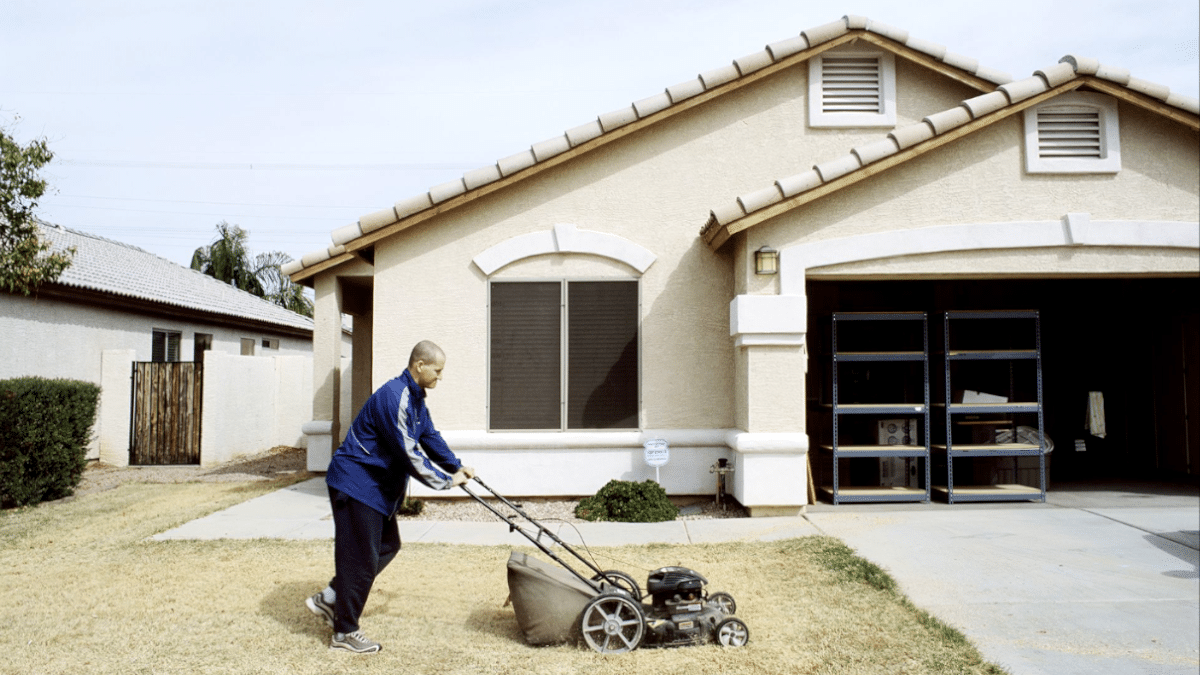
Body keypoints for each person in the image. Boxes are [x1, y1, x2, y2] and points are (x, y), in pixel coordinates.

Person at [306, 340, 475, 653]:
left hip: (375, 488)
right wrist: (444, 481)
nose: (440, 377)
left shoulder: (415, 397)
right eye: (437, 370)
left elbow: (429, 437)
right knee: (361, 558)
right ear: (419, 365)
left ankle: (330, 598)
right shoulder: (394, 396)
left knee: (387, 546)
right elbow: (408, 452)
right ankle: (344, 634)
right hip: (357, 484)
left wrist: (457, 465)